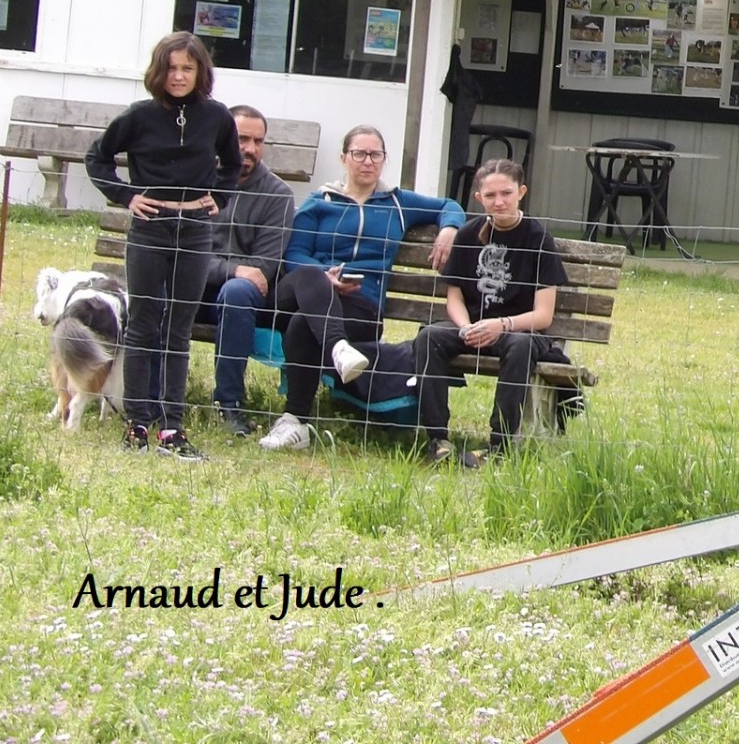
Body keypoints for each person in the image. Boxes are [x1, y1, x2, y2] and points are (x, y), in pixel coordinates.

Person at [258, 126, 464, 451]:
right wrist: (325, 277)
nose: (367, 161)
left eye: (375, 155)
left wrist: (449, 230)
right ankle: (339, 348)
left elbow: (449, 205)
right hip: (303, 294)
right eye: (359, 154)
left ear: (384, 160)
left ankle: (294, 422)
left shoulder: (398, 202)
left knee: (303, 326)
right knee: (310, 274)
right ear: (344, 158)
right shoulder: (320, 201)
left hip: (360, 307)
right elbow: (294, 253)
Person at [85, 31, 241, 461]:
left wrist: (219, 197)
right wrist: (126, 196)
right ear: (159, 71)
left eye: (187, 68)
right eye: (171, 68)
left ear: (199, 72)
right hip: (150, 227)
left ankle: (172, 425)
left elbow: (233, 164)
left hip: (193, 228)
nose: (178, 76)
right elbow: (97, 158)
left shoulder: (217, 117)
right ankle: (137, 422)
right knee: (144, 321)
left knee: (179, 327)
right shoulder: (138, 116)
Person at [410, 158, 568, 468]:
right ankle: (437, 439)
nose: (499, 202)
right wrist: (466, 326)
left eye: (506, 193)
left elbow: (544, 315)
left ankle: (500, 446)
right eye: (491, 196)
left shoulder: (538, 239)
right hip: (474, 326)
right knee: (429, 336)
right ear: (479, 197)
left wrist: (502, 324)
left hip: (518, 331)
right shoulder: (469, 234)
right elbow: (453, 296)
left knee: (521, 346)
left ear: (521, 192)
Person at [193, 105, 296, 437]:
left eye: (258, 141)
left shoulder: (278, 195)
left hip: (246, 300)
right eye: (241, 139)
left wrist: (233, 274)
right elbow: (183, 253)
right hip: (194, 286)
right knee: (163, 285)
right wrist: (235, 268)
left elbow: (265, 266)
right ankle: (153, 396)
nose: (250, 148)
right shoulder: (196, 182)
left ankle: (229, 404)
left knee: (237, 293)